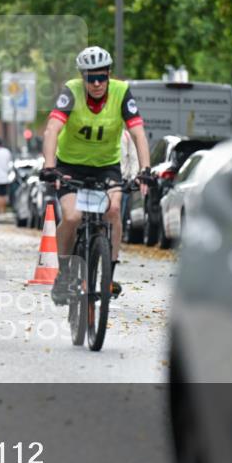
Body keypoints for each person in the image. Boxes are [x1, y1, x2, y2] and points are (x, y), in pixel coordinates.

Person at [39, 46, 152, 304]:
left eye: (102, 76)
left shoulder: (121, 92)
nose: (98, 83)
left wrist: (145, 170)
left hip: (106, 166)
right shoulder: (72, 91)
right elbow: (52, 129)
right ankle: (65, 275)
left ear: (109, 74)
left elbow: (138, 133)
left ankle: (108, 276)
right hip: (69, 165)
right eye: (91, 78)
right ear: (83, 77)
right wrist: (49, 165)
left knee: (112, 211)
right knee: (72, 216)